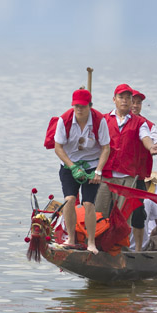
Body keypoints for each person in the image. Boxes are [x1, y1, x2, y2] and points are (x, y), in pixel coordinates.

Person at [95, 83, 157, 250]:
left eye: (129, 99)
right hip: (106, 174)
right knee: (99, 213)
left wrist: (152, 147)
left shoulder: (141, 123)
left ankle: (121, 250)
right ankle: (97, 246)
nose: (127, 102)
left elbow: (146, 137)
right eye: (122, 98)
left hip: (130, 176)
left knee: (124, 218)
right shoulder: (103, 119)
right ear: (114, 99)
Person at [53, 88, 111, 253]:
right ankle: (71, 238)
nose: (79, 109)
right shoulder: (64, 120)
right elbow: (58, 148)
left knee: (88, 203)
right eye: (76, 106)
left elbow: (106, 148)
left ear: (90, 106)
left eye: (83, 106)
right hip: (69, 164)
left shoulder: (99, 120)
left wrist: (98, 171)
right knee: (70, 199)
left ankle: (91, 242)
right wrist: (72, 167)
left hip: (92, 165)